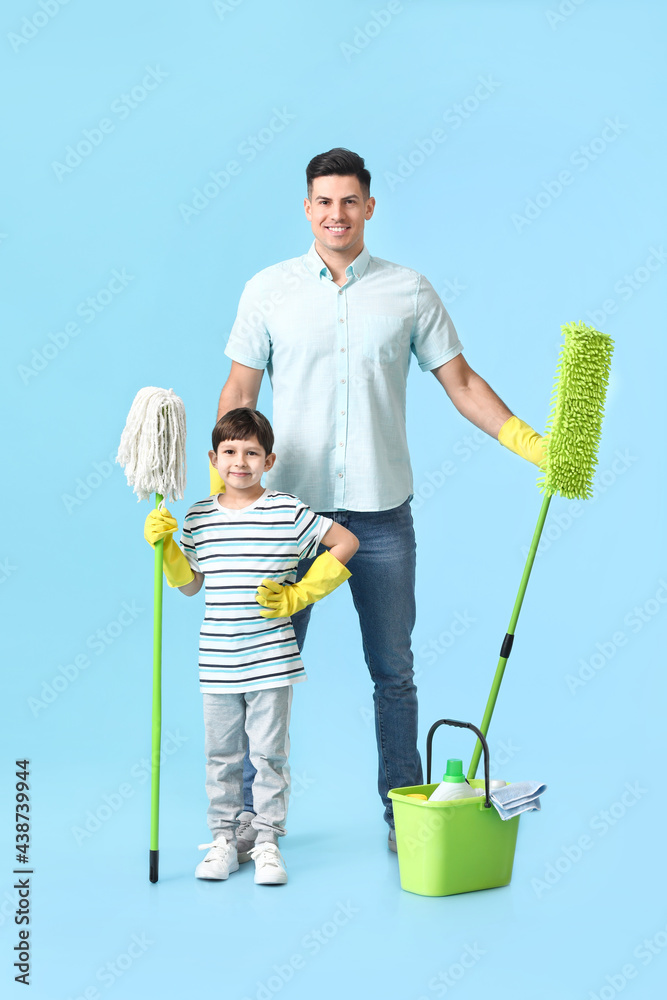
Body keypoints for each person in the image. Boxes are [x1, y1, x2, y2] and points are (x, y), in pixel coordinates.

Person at [212, 147, 545, 854]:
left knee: (393, 674)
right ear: (307, 209)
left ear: (368, 207)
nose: (336, 214)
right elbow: (240, 394)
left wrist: (526, 440)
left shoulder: (409, 291)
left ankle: (405, 822)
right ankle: (243, 825)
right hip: (286, 518)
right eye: (323, 202)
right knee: (259, 676)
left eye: (349, 201)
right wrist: (223, 498)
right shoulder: (267, 291)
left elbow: (459, 382)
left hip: (381, 515)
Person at [144, 407, 358, 884]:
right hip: (218, 662)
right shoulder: (198, 517)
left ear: (269, 459)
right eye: (230, 452)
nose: (240, 461)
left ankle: (266, 842)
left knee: (268, 757)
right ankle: (223, 841)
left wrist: (301, 593)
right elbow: (190, 586)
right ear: (213, 458)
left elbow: (346, 542)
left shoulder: (286, 512)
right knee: (220, 757)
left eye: (251, 452)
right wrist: (168, 551)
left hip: (272, 663)